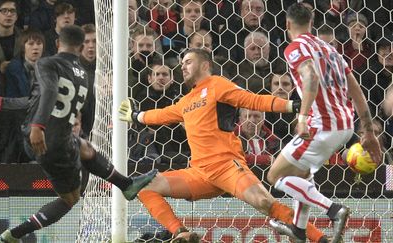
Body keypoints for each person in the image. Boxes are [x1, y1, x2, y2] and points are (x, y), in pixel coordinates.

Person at [119, 48, 328, 242]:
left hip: (227, 167)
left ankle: (320, 238)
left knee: (265, 203)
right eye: (182, 63)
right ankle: (180, 233)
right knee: (145, 187)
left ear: (204, 65)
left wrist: (292, 105)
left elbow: (252, 100)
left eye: (188, 62)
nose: (182, 66)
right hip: (200, 173)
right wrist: (136, 116)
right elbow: (161, 115)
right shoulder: (185, 101)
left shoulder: (218, 84)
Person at [0, 26, 157, 243]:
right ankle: (14, 235)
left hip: (45, 138)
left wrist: (35, 124)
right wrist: (22, 116)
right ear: (81, 48)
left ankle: (126, 184)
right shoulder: (84, 76)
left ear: (57, 43)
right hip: (52, 142)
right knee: (70, 199)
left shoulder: (47, 63)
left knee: (86, 148)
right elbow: (47, 96)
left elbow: (44, 95)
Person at [266, 3, 382, 243]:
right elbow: (357, 91)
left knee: (275, 176)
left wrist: (302, 117)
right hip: (345, 125)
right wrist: (368, 131)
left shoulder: (295, 48)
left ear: (287, 24)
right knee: (302, 173)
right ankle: (299, 229)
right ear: (313, 21)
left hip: (322, 125)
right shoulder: (332, 51)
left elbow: (310, 76)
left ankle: (333, 209)